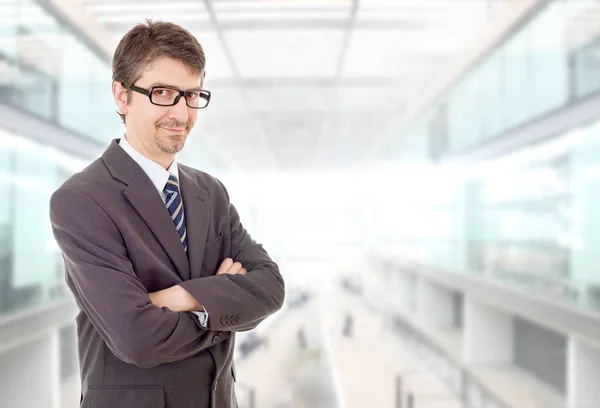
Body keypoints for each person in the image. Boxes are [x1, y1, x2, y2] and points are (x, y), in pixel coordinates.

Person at [49, 20, 285, 408]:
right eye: (163, 93)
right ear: (122, 97)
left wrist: (179, 298)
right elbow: (137, 338)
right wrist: (220, 306)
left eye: (192, 96)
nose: (181, 112)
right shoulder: (81, 201)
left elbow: (271, 288)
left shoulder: (211, 192)